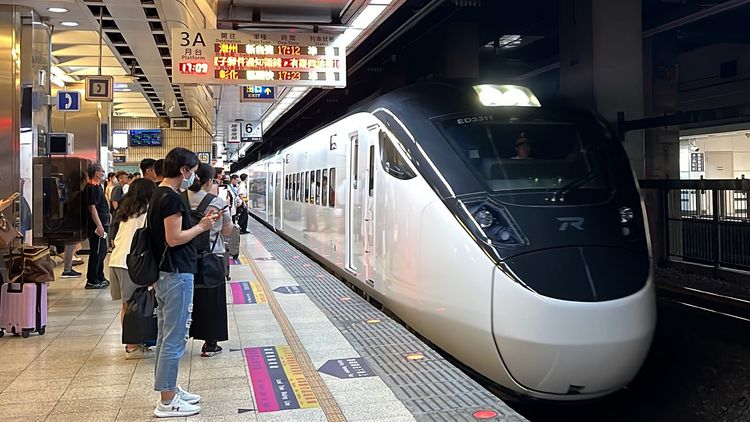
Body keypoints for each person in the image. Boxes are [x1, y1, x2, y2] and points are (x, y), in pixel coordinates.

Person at [149, 147, 219, 418]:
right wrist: (202, 227)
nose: (194, 177)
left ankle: (170, 388)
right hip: (176, 274)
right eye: (193, 171)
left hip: (165, 273)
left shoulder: (159, 194)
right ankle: (167, 402)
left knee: (165, 335)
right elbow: (174, 238)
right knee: (174, 338)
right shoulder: (171, 199)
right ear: (183, 169)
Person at [186, 164, 233, 358]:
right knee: (212, 300)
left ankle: (179, 340)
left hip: (183, 257)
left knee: (184, 299)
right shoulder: (218, 202)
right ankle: (210, 344)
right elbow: (227, 230)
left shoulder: (179, 199)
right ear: (210, 181)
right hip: (212, 256)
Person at [109, 178, 155, 359]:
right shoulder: (146, 213)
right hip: (131, 264)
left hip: (116, 261)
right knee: (132, 305)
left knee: (127, 305)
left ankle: (133, 343)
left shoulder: (124, 212)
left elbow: (113, 238)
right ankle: (132, 346)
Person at [83, 163, 110, 289]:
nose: (103, 172)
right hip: (97, 225)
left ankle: (100, 276)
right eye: (101, 171)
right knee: (97, 251)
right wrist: (99, 225)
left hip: (103, 223)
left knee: (102, 251)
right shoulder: (91, 188)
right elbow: (92, 208)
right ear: (96, 172)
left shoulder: (98, 186)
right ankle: (92, 279)